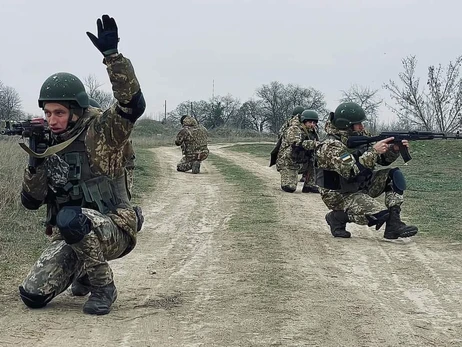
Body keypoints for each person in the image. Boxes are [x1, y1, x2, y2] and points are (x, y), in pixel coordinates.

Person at [18, 14, 146, 315]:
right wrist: (35, 161)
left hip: (114, 226)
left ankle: (103, 286)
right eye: (48, 113)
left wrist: (112, 57)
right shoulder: (49, 141)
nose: (52, 120)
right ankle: (83, 272)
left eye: (59, 113)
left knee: (70, 218)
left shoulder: (102, 131)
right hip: (74, 233)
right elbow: (31, 202)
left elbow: (132, 105)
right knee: (32, 296)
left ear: (76, 110)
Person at [315, 102, 418, 239]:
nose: (362, 127)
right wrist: (374, 152)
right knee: (379, 215)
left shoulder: (361, 136)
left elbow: (382, 160)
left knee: (394, 176)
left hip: (360, 184)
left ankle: (394, 225)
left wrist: (393, 150)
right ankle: (337, 217)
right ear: (346, 125)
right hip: (338, 193)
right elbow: (350, 171)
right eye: (358, 124)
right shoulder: (331, 146)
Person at [276, 107, 320, 193]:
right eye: (310, 122)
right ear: (304, 121)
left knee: (316, 159)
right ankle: (288, 180)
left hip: (303, 160)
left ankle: (310, 185)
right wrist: (314, 144)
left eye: (314, 122)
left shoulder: (313, 131)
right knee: (289, 188)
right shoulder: (293, 129)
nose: (312, 124)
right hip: (289, 161)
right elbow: (296, 144)